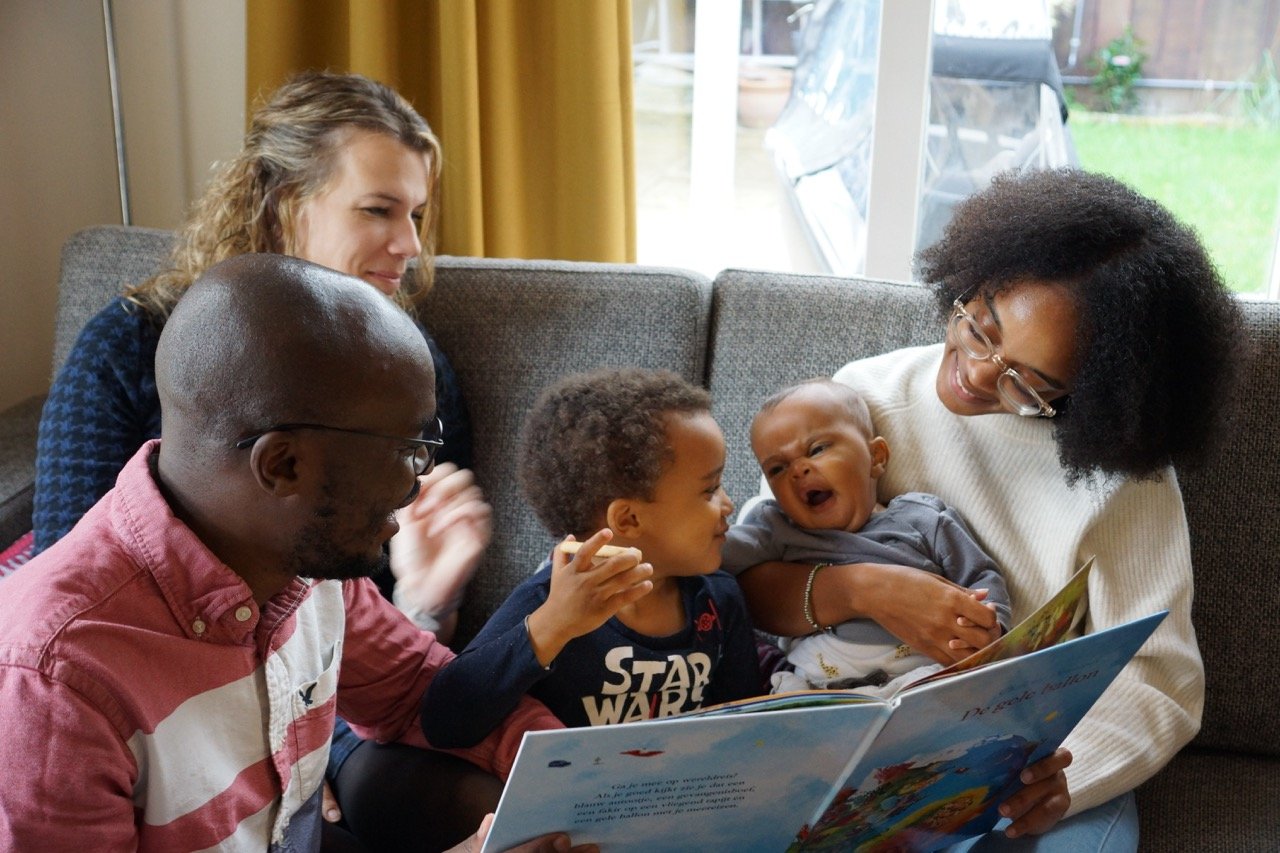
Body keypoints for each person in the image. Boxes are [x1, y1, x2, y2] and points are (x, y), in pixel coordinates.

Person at [0, 255, 596, 853]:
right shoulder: (54, 683)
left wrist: (584, 782)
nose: (419, 480)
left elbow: (423, 696)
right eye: (407, 449)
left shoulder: (304, 567)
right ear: (283, 465)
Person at [23, 69, 486, 831]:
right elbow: (76, 559)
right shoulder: (131, 345)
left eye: (416, 214)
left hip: (317, 685)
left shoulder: (406, 372)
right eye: (378, 209)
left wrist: (428, 600)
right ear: (282, 203)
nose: (409, 243)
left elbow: (384, 635)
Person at [735, 168, 1244, 849]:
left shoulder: (1123, 476)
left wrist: (1068, 775)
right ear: (970, 278)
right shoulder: (861, 398)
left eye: (1028, 382)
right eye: (980, 326)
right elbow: (736, 584)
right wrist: (865, 587)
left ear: (1090, 390)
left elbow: (1160, 676)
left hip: (1030, 771)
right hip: (852, 739)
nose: (976, 372)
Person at [420, 368, 762, 744]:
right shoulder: (548, 605)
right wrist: (554, 625)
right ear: (628, 518)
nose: (729, 504)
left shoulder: (719, 600)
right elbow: (443, 722)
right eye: (710, 490)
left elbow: (744, 728)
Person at [720, 379, 1010, 696]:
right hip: (815, 689)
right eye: (776, 469)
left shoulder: (922, 519)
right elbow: (716, 555)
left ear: (876, 457)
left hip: (919, 679)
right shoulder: (774, 526)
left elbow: (980, 576)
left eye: (816, 449)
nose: (797, 470)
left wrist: (992, 633)